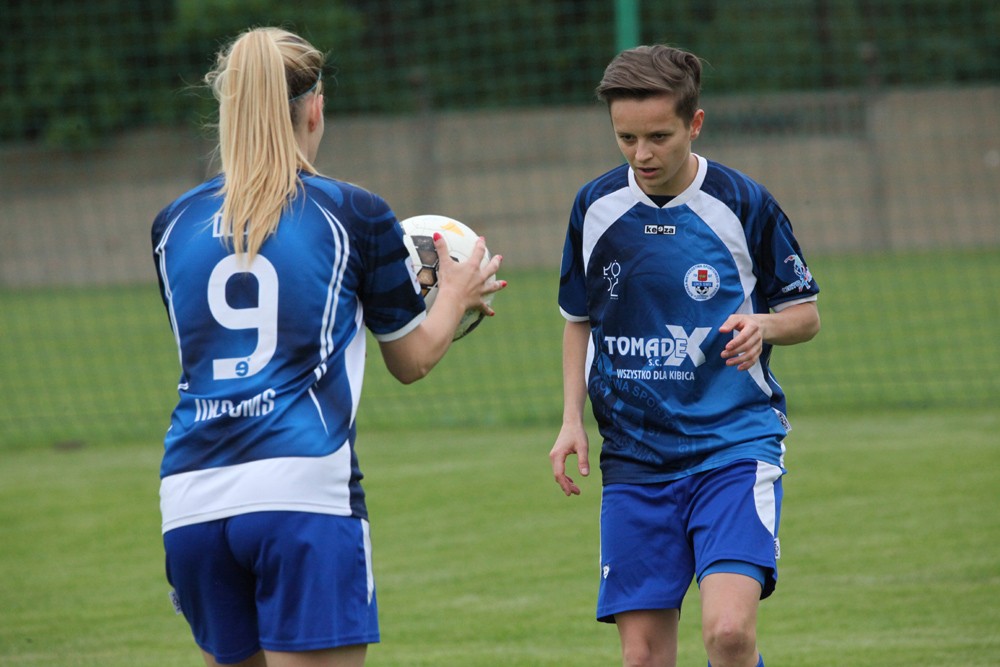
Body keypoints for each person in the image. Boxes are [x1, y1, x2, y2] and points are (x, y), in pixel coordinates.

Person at [151, 27, 504, 667]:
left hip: (190, 499)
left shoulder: (172, 226)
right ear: (315, 108)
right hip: (302, 493)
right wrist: (454, 292)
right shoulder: (353, 213)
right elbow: (411, 360)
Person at [549, 45, 820, 667]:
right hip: (635, 457)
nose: (641, 154)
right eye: (626, 138)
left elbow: (806, 316)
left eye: (658, 137)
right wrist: (570, 421)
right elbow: (578, 321)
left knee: (728, 633)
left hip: (733, 446)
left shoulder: (743, 202)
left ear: (694, 123)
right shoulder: (595, 207)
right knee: (643, 656)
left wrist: (764, 325)